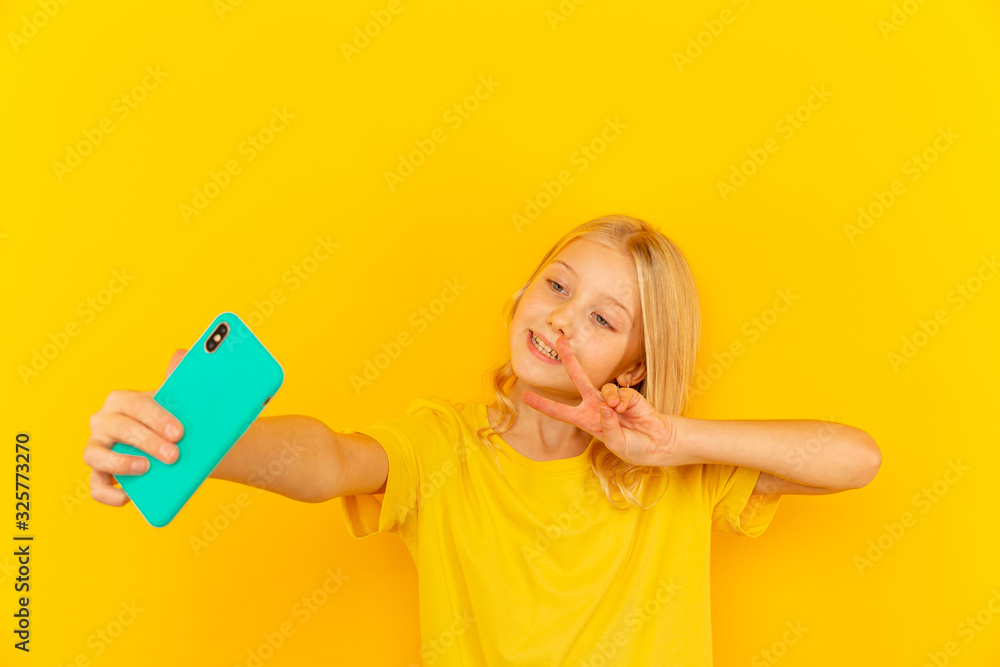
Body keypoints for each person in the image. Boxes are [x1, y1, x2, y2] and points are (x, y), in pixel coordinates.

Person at [83, 214, 881, 665]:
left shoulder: (678, 468)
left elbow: (857, 458)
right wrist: (202, 441)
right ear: (519, 298)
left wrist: (671, 440)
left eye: (604, 318)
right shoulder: (444, 445)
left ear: (634, 367)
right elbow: (329, 460)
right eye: (557, 286)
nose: (564, 315)